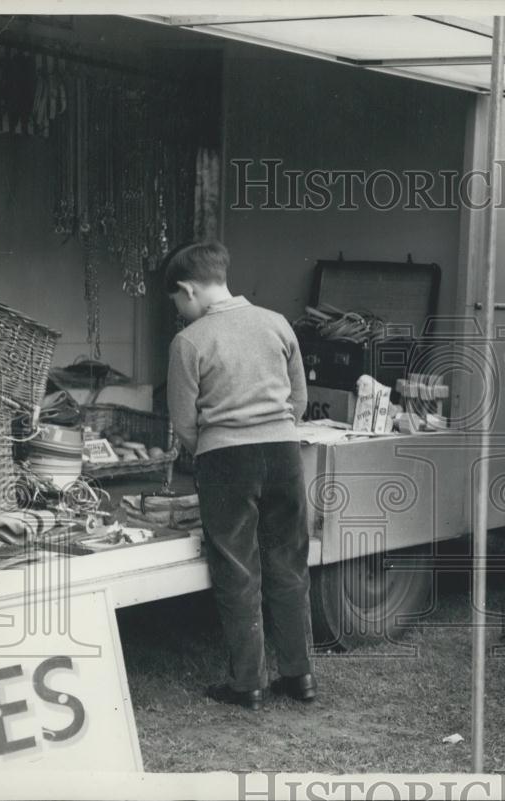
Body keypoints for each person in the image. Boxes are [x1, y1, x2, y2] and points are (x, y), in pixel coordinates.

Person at [165, 240, 316, 711]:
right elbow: (300, 399)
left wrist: (209, 447)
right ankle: (299, 677)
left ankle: (247, 684)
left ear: (189, 289)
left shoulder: (189, 341)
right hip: (284, 452)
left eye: (177, 302)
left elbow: (183, 421)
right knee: (289, 563)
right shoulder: (276, 323)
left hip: (226, 460)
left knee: (237, 569)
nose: (180, 311)